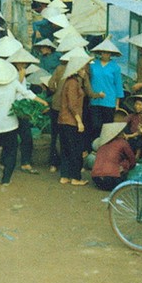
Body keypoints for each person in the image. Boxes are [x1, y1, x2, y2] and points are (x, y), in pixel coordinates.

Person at [0, 58, 45, 186]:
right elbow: (27, 93)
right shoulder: (13, 83)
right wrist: (42, 101)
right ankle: (6, 179)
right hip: (11, 124)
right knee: (11, 152)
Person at [58, 55, 93, 186]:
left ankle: (65, 176)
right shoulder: (73, 83)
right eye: (83, 69)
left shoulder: (71, 82)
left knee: (66, 149)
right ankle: (75, 178)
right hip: (71, 120)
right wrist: (79, 121)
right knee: (75, 150)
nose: (85, 70)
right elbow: (72, 105)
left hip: (64, 120)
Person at [87, 39, 124, 151]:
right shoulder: (93, 65)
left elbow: (118, 85)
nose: (105, 55)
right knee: (95, 125)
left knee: (107, 127)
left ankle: (105, 150)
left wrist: (117, 103)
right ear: (100, 53)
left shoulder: (115, 67)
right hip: (95, 100)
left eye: (108, 53)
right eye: (103, 52)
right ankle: (94, 148)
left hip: (109, 101)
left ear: (111, 54)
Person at [91, 122, 138, 191]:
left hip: (96, 179)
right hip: (112, 180)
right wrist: (127, 165)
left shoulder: (101, 143)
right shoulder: (122, 142)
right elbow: (132, 160)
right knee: (125, 162)